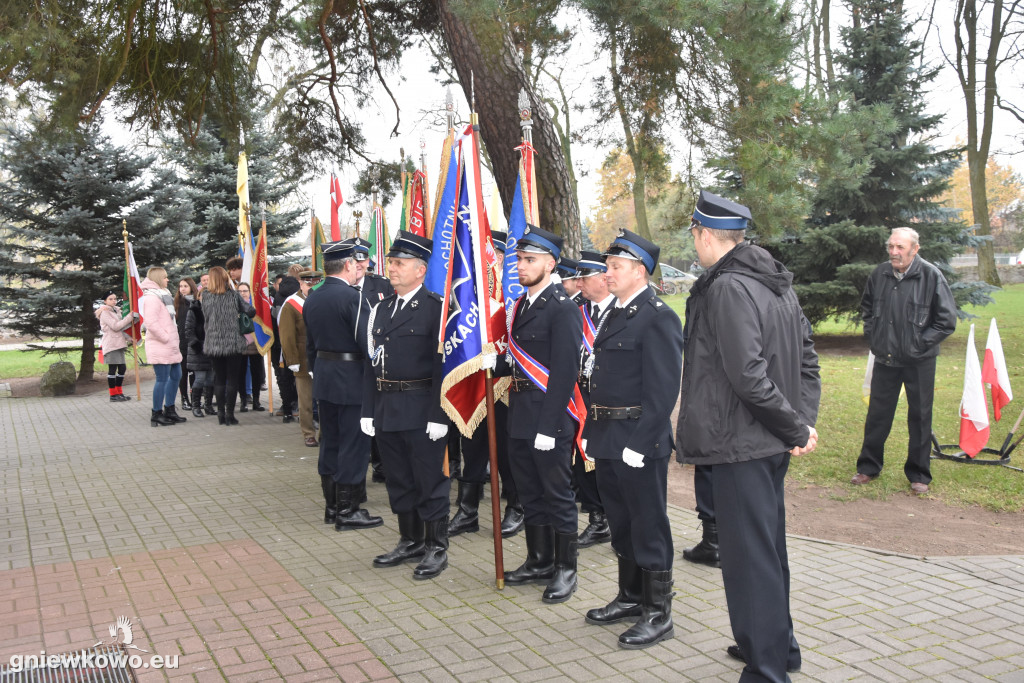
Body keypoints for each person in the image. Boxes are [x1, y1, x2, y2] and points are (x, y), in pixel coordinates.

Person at [676, 190, 821, 681]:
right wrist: (800, 424)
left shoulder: (728, 288)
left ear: (704, 235)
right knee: (767, 551)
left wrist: (796, 427)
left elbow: (747, 375)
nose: (693, 243)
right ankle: (779, 648)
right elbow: (807, 362)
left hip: (740, 443)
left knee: (748, 561)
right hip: (764, 441)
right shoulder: (774, 283)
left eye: (693, 235)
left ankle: (766, 669)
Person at [580, 231, 682, 650]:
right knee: (621, 522)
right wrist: (590, 432)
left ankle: (659, 613)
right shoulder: (615, 313)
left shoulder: (657, 316)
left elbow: (663, 390)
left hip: (639, 440)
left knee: (648, 523)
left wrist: (641, 443)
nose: (608, 273)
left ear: (639, 271)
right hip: (607, 435)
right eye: (607, 266)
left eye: (615, 267)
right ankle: (631, 596)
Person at [495, 225, 583, 604]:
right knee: (530, 493)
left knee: (556, 495)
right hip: (521, 414)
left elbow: (565, 372)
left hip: (550, 418)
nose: (520, 265)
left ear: (550, 263)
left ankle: (565, 568)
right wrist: (495, 362)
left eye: (529, 260)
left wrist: (549, 426)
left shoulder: (562, 307)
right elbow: (519, 360)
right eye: (517, 259)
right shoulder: (521, 305)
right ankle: (538, 559)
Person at [360, 231, 451, 579]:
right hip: (387, 408)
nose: (392, 269)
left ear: (420, 269)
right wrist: (368, 409)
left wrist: (439, 414)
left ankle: (436, 547)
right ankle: (410, 540)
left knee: (430, 480)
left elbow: (444, 365)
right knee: (399, 479)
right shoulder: (381, 309)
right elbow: (372, 363)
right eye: (392, 263)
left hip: (421, 409)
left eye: (399, 264)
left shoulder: (436, 309)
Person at [854, 227, 957, 495]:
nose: (894, 252)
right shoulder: (880, 274)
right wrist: (874, 337)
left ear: (915, 249)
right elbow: (867, 310)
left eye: (900, 247)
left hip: (919, 361)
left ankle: (919, 474)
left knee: (920, 416)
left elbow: (946, 322)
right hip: (885, 358)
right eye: (891, 247)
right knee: (877, 415)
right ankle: (867, 468)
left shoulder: (931, 275)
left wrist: (916, 345)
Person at [448, 228, 524, 540]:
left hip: (507, 384)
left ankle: (516, 508)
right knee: (473, 447)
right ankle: (467, 511)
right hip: (477, 381)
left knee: (507, 452)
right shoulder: (468, 295)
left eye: (497, 256)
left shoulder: (516, 295)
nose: (492, 261)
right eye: (486, 256)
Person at [304, 241, 382, 531]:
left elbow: (310, 346)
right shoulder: (353, 297)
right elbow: (368, 343)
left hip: (326, 377)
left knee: (331, 443)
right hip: (352, 379)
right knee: (354, 445)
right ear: (349, 264)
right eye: (357, 262)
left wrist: (318, 372)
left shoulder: (313, 296)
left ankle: (332, 507)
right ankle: (348, 511)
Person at [341, 236, 395, 484]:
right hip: (352, 364)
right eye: (354, 261)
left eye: (362, 261)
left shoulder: (381, 285)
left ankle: (382, 465)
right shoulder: (341, 288)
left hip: (379, 360)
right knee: (360, 417)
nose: (359, 265)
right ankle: (361, 468)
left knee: (380, 411)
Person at [573, 251, 614, 549]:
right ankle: (597, 519)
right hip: (579, 394)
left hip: (610, 398)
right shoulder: (576, 310)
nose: (578, 283)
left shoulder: (623, 309)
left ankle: (617, 517)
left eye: (584, 277)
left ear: (603, 278)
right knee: (581, 459)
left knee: (609, 461)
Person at [202, 265, 254, 426]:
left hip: (213, 343)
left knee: (219, 379)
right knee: (232, 380)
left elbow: (206, 316)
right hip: (233, 343)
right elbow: (251, 311)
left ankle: (220, 415)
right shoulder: (233, 295)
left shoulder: (205, 296)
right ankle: (230, 415)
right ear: (225, 278)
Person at [139, 267, 186, 427]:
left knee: (176, 376)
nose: (167, 280)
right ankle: (156, 413)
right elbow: (151, 323)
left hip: (171, 345)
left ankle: (170, 409)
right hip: (161, 345)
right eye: (165, 278)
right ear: (158, 279)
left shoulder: (163, 295)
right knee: (162, 379)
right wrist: (166, 337)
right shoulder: (152, 298)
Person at [279, 272, 318, 448]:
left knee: (324, 400)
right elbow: (287, 335)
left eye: (315, 284)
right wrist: (292, 359)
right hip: (303, 359)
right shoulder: (291, 304)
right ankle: (308, 433)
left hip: (323, 358)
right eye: (308, 284)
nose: (311, 288)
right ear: (301, 284)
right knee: (306, 401)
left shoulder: (322, 300)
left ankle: (326, 433)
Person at [95, 290, 137, 403]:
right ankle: (113, 394)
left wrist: (129, 338)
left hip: (119, 343)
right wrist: (129, 317)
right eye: (110, 299)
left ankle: (119, 392)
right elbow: (115, 326)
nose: (114, 301)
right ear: (105, 301)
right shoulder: (104, 313)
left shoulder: (116, 311)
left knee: (122, 368)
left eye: (115, 298)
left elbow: (121, 330)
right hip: (111, 344)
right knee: (113, 369)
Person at [235, 282, 267, 413]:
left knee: (256, 373)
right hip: (240, 344)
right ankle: (243, 401)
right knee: (240, 374)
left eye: (245, 291)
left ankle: (256, 401)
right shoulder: (234, 306)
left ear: (249, 292)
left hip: (255, 343)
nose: (242, 293)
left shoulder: (254, 306)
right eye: (240, 291)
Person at [185, 289, 215, 417]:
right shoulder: (194, 310)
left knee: (210, 379)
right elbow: (188, 330)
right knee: (200, 378)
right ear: (199, 297)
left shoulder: (214, 310)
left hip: (212, 349)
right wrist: (197, 345)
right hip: (198, 350)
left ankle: (208, 405)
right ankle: (196, 406)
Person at [174, 278, 198, 410]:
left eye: (185, 286)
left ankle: (195, 398)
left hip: (194, 342)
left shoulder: (197, 302)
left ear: (191, 287)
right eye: (180, 286)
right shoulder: (177, 303)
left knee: (194, 372)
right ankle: (184, 399)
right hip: (181, 342)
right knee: (183, 372)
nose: (182, 288)